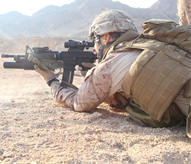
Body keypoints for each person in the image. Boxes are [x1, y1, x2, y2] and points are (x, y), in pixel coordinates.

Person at [29, 10, 191, 137]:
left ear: (105, 38)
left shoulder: (112, 63)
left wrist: (50, 79)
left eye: (95, 40)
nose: (94, 48)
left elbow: (80, 102)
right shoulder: (149, 46)